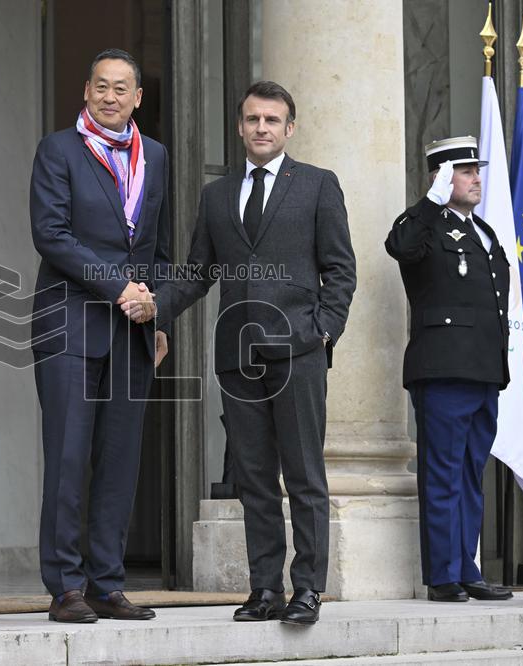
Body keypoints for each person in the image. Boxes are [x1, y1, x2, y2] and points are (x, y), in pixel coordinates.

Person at [138, 81, 356, 625]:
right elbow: (197, 272)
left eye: (273, 120)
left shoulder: (318, 186)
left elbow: (341, 269)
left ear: (290, 128)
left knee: (304, 475)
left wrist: (323, 331)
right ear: (240, 127)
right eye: (253, 119)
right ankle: (265, 590)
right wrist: (154, 310)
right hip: (237, 356)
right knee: (254, 479)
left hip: (299, 351)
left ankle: (308, 589)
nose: (262, 128)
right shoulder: (217, 195)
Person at [29, 48, 171, 623]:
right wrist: (119, 288)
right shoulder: (57, 150)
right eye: (101, 87)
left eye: (122, 89)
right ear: (86, 92)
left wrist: (156, 315)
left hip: (133, 330)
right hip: (70, 322)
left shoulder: (155, 156)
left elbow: (157, 247)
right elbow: (52, 235)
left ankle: (105, 584)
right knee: (67, 455)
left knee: (120, 459)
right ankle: (65, 587)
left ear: (138, 98)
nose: (111, 97)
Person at [385, 136, 513, 603]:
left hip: (482, 371)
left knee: (469, 476)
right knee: (441, 474)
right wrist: (430, 201)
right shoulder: (424, 226)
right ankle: (442, 576)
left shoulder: (485, 232)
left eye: (476, 170)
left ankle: (467, 568)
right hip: (442, 371)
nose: (476, 178)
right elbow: (400, 247)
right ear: (442, 176)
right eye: (465, 171)